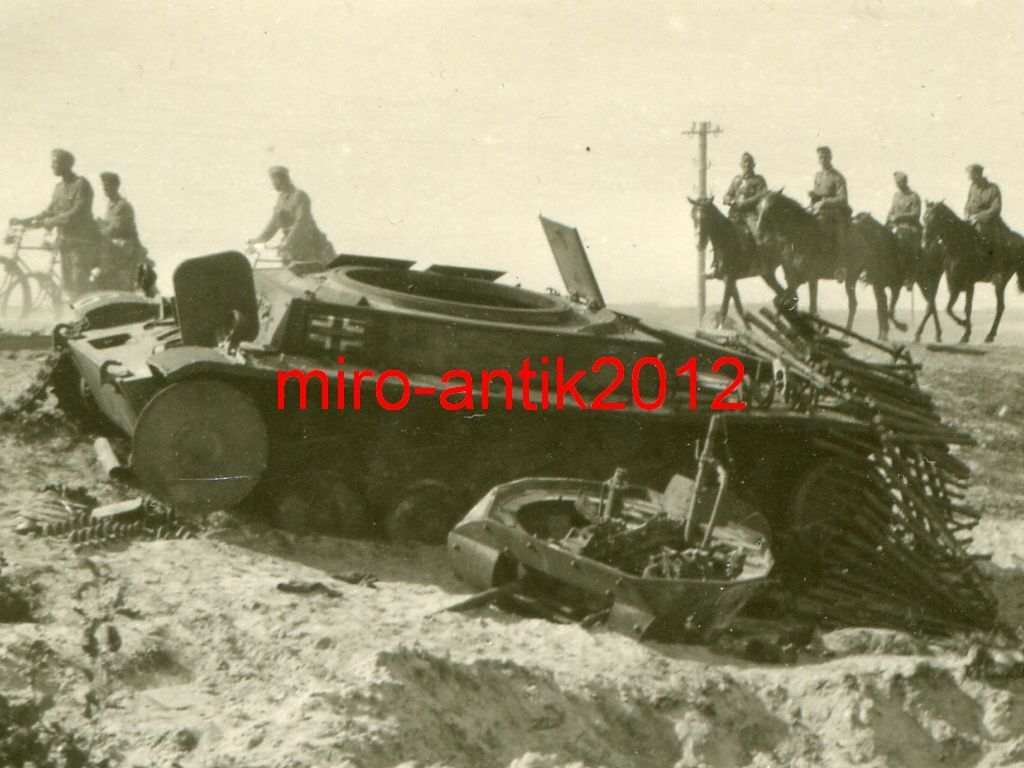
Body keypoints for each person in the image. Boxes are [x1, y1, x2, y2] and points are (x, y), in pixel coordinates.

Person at [9, 149, 101, 297]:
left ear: (67, 164)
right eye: (52, 163)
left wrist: (50, 222)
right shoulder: (58, 188)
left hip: (81, 243)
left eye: (56, 163)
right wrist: (24, 220)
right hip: (64, 241)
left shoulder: (81, 184)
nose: (52, 166)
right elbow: (48, 212)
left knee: (79, 282)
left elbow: (77, 213)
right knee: (68, 284)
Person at [248, 166, 334, 265]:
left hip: (307, 244)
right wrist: (257, 240)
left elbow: (301, 222)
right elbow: (273, 224)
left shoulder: (299, 196)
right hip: (290, 248)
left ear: (280, 179)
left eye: (274, 180)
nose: (272, 184)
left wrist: (287, 242)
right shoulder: (281, 199)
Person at [96, 171, 153, 292]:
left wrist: (100, 231)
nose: (104, 188)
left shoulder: (123, 206)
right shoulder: (111, 205)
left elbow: (116, 228)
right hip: (114, 251)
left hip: (125, 251)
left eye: (108, 185)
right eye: (104, 186)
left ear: (115, 186)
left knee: (121, 284)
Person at [808, 146, 851, 266]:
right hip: (817, 210)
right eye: (820, 157)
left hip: (834, 213)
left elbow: (843, 199)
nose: (822, 160)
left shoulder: (837, 177)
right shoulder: (818, 176)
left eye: (825, 157)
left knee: (835, 234)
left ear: (830, 158)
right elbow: (817, 196)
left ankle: (839, 265)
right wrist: (813, 196)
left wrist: (825, 202)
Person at [964, 164, 1008, 259]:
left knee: (993, 243)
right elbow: (967, 205)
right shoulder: (973, 187)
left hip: (988, 223)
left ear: (978, 175)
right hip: (971, 221)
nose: (972, 181)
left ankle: (997, 269)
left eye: (973, 177)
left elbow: (996, 208)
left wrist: (977, 217)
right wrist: (967, 216)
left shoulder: (993, 189)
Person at [886, 171, 921, 283]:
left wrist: (899, 217)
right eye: (896, 182)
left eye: (900, 182)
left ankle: (908, 274)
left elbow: (916, 214)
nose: (898, 184)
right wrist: (887, 222)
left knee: (904, 243)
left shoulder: (913, 196)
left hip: (909, 226)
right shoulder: (896, 196)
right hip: (895, 226)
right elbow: (891, 210)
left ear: (905, 182)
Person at [722, 152, 767, 236]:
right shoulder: (736, 180)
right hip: (734, 214)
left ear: (753, 165)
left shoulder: (759, 180)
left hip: (750, 215)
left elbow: (760, 197)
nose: (747, 164)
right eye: (744, 162)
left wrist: (743, 203)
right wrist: (728, 199)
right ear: (741, 165)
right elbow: (727, 195)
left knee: (758, 234)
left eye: (749, 162)